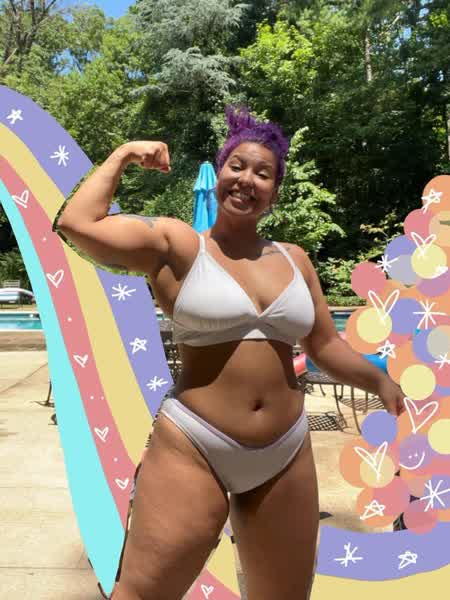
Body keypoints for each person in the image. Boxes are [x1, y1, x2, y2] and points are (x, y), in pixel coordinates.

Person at [57, 105, 405, 600]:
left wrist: (379, 380)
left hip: (285, 449)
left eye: (263, 173)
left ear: (275, 193)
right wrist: (124, 155)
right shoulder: (178, 244)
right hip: (195, 444)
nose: (246, 179)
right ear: (219, 173)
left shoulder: (294, 259)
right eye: (236, 166)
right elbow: (77, 223)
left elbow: (324, 344)